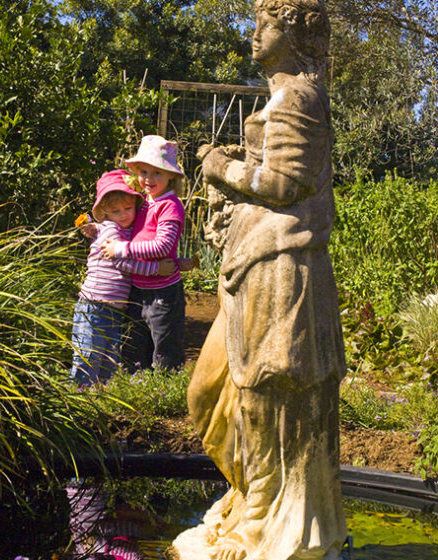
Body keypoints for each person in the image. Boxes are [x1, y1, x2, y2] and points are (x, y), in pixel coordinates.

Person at [171, 0, 348, 559]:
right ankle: (249, 495)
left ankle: (261, 519)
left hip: (281, 266)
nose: (253, 36)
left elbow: (283, 185)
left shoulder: (298, 96)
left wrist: (219, 166)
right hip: (254, 265)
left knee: (266, 396)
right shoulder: (282, 95)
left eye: (263, 26)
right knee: (211, 393)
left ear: (292, 35)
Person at [70, 169, 176, 385]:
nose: (124, 214)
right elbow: (122, 262)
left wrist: (178, 262)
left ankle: (98, 402)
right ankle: (77, 397)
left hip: (114, 310)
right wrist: (156, 269)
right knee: (88, 356)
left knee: (108, 360)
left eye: (128, 208)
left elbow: (142, 250)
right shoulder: (110, 230)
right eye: (116, 211)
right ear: (106, 213)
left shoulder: (127, 231)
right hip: (94, 305)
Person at [101, 135, 187, 372]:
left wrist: (121, 249)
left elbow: (160, 246)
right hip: (138, 287)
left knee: (165, 343)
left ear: (171, 176)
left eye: (157, 173)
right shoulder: (145, 203)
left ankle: (165, 389)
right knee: (135, 344)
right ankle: (137, 385)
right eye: (144, 172)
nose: (149, 179)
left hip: (163, 291)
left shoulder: (170, 206)